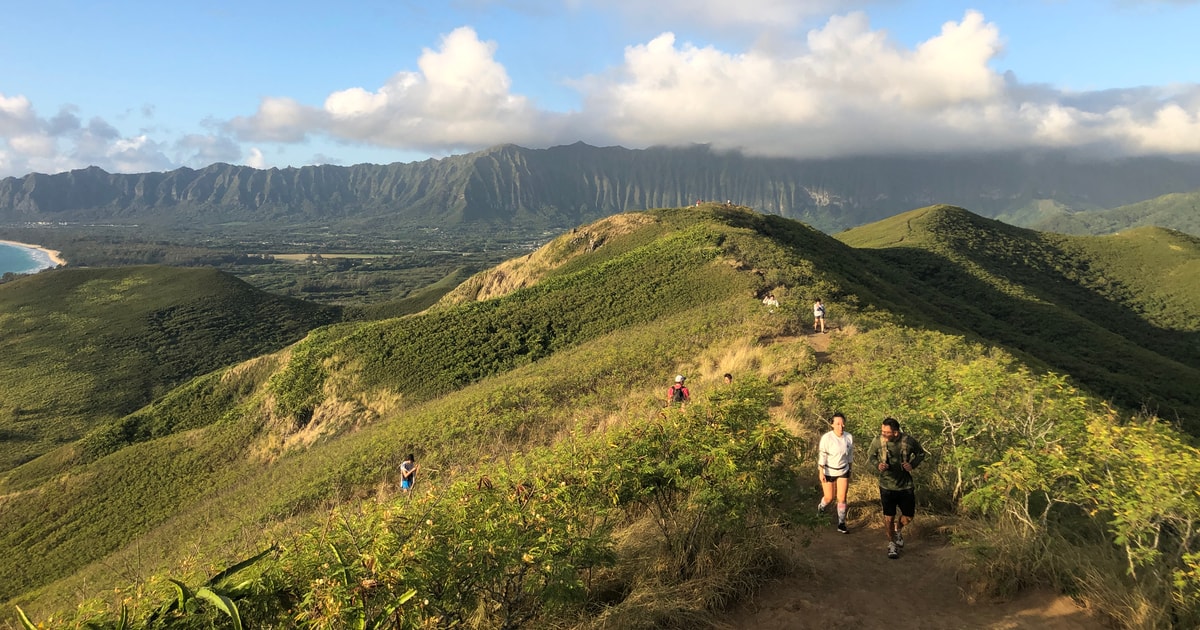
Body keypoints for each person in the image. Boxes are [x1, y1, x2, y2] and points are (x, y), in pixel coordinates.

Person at [866, 418, 926, 559]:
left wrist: (912, 465)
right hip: (886, 485)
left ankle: (898, 529)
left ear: (896, 433)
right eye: (882, 431)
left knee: (909, 516)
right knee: (888, 516)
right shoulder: (877, 441)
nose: (884, 434)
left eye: (887, 432)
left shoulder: (908, 441)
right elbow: (871, 456)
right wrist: (878, 465)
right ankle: (891, 544)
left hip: (905, 486)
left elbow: (921, 453)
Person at [817, 413, 854, 533]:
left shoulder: (848, 437)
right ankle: (821, 508)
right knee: (829, 497)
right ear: (832, 424)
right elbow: (822, 455)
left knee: (842, 498)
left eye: (842, 423)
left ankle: (841, 523)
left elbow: (850, 455)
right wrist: (821, 472)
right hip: (829, 470)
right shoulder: (827, 438)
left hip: (843, 470)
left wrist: (850, 468)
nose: (841, 426)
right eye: (837, 424)